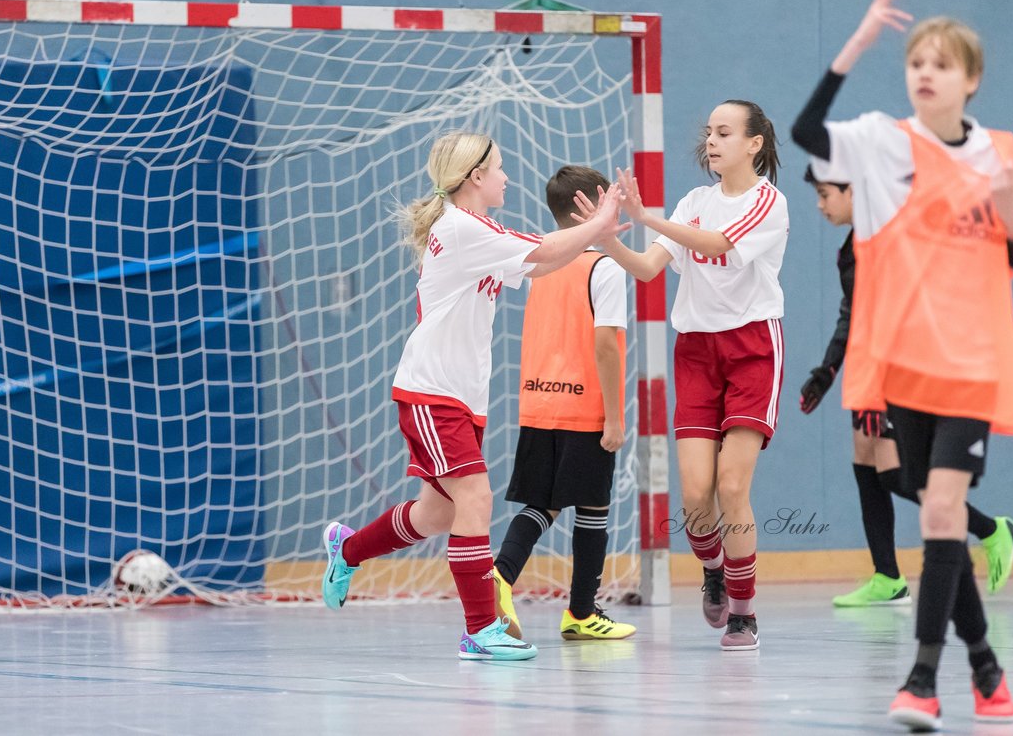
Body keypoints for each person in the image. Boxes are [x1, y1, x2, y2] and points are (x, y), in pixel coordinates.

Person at [791, 0, 1013, 730]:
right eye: (915, 62)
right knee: (942, 516)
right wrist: (858, 41)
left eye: (941, 63)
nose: (925, 73)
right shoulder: (880, 140)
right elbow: (806, 131)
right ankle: (986, 665)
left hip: (970, 366)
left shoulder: (1002, 157)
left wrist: (1005, 210)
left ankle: (923, 680)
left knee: (937, 507)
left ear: (971, 79)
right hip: (902, 366)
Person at [320, 131, 628, 662]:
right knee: (476, 500)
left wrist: (590, 236)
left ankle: (346, 550)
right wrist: (597, 226)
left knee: (436, 515)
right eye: (500, 169)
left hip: (457, 396)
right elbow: (547, 249)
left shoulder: (475, 230)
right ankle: (481, 629)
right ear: (475, 178)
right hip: (433, 390)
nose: (507, 178)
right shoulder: (463, 228)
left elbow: (541, 262)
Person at [586, 99, 789, 651]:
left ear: (754, 143)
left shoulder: (767, 201)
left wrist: (650, 217)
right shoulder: (693, 203)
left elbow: (722, 245)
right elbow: (651, 267)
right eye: (709, 132)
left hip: (752, 350)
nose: (712, 141)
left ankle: (744, 613)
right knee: (696, 495)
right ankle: (713, 571)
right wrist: (607, 238)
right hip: (696, 352)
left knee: (731, 486)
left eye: (725, 132)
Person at [799, 166, 1013, 608]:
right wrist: (827, 371)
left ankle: (992, 529)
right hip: (871, 367)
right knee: (866, 460)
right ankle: (887, 576)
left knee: (896, 475)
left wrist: (880, 386)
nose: (821, 205)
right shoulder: (852, 247)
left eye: (826, 194)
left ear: (853, 190)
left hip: (898, 370)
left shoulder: (887, 242)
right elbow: (853, 312)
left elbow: (900, 316)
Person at [491, 165, 636, 643]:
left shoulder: (542, 264)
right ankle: (580, 611)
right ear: (591, 203)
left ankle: (500, 576)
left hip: (539, 401)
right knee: (593, 506)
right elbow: (605, 345)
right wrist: (614, 417)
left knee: (543, 502)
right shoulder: (605, 265)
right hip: (585, 406)